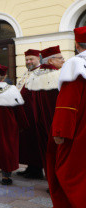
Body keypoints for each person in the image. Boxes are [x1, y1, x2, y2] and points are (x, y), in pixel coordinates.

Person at [47, 26, 86, 208]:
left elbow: (68, 104)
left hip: (80, 132)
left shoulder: (76, 64)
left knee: (73, 174)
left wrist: (60, 132)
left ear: (77, 45)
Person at [26, 45, 65, 176]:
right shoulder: (59, 76)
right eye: (60, 58)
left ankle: (51, 179)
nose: (63, 60)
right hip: (57, 124)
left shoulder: (34, 76)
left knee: (46, 149)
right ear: (50, 61)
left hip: (41, 123)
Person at [16, 49, 44, 179]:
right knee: (27, 142)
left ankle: (37, 169)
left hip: (34, 114)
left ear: (38, 58)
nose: (28, 62)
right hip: (24, 113)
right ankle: (30, 167)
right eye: (27, 59)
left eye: (31, 59)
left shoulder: (42, 73)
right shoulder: (26, 73)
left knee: (35, 141)